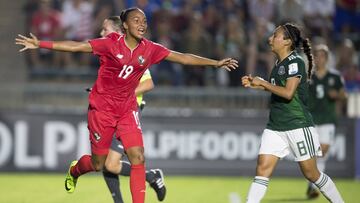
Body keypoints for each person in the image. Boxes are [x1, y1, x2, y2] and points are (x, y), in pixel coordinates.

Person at [16, 7, 238, 203]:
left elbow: (183, 58)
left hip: (127, 109)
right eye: (136, 21)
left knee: (138, 157)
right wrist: (40, 44)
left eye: (144, 21)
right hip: (101, 110)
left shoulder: (150, 48)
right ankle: (75, 171)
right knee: (98, 164)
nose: (142, 25)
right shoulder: (110, 44)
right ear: (125, 25)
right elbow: (76, 46)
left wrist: (215, 63)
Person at [241, 23, 344, 203]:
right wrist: (257, 85)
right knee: (262, 169)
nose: (270, 39)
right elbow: (278, 89)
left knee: (312, 174)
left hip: (297, 124)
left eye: (275, 36)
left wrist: (264, 83)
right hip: (275, 126)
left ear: (287, 41)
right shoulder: (279, 63)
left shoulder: (295, 62)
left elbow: (288, 93)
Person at [97, 16, 165, 202]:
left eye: (105, 29)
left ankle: (151, 176)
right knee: (106, 162)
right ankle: (150, 177)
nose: (101, 33)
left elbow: (149, 83)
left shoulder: (132, 51)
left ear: (118, 32)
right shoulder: (110, 53)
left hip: (128, 112)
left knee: (110, 163)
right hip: (112, 111)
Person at [306, 44, 347, 199]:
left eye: (322, 56)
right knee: (316, 153)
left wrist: (336, 94)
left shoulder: (335, 76)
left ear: (327, 58)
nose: (319, 59)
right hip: (312, 119)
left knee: (322, 152)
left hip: (328, 119)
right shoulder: (309, 76)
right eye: (317, 56)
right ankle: (314, 186)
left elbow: (344, 95)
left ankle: (312, 184)